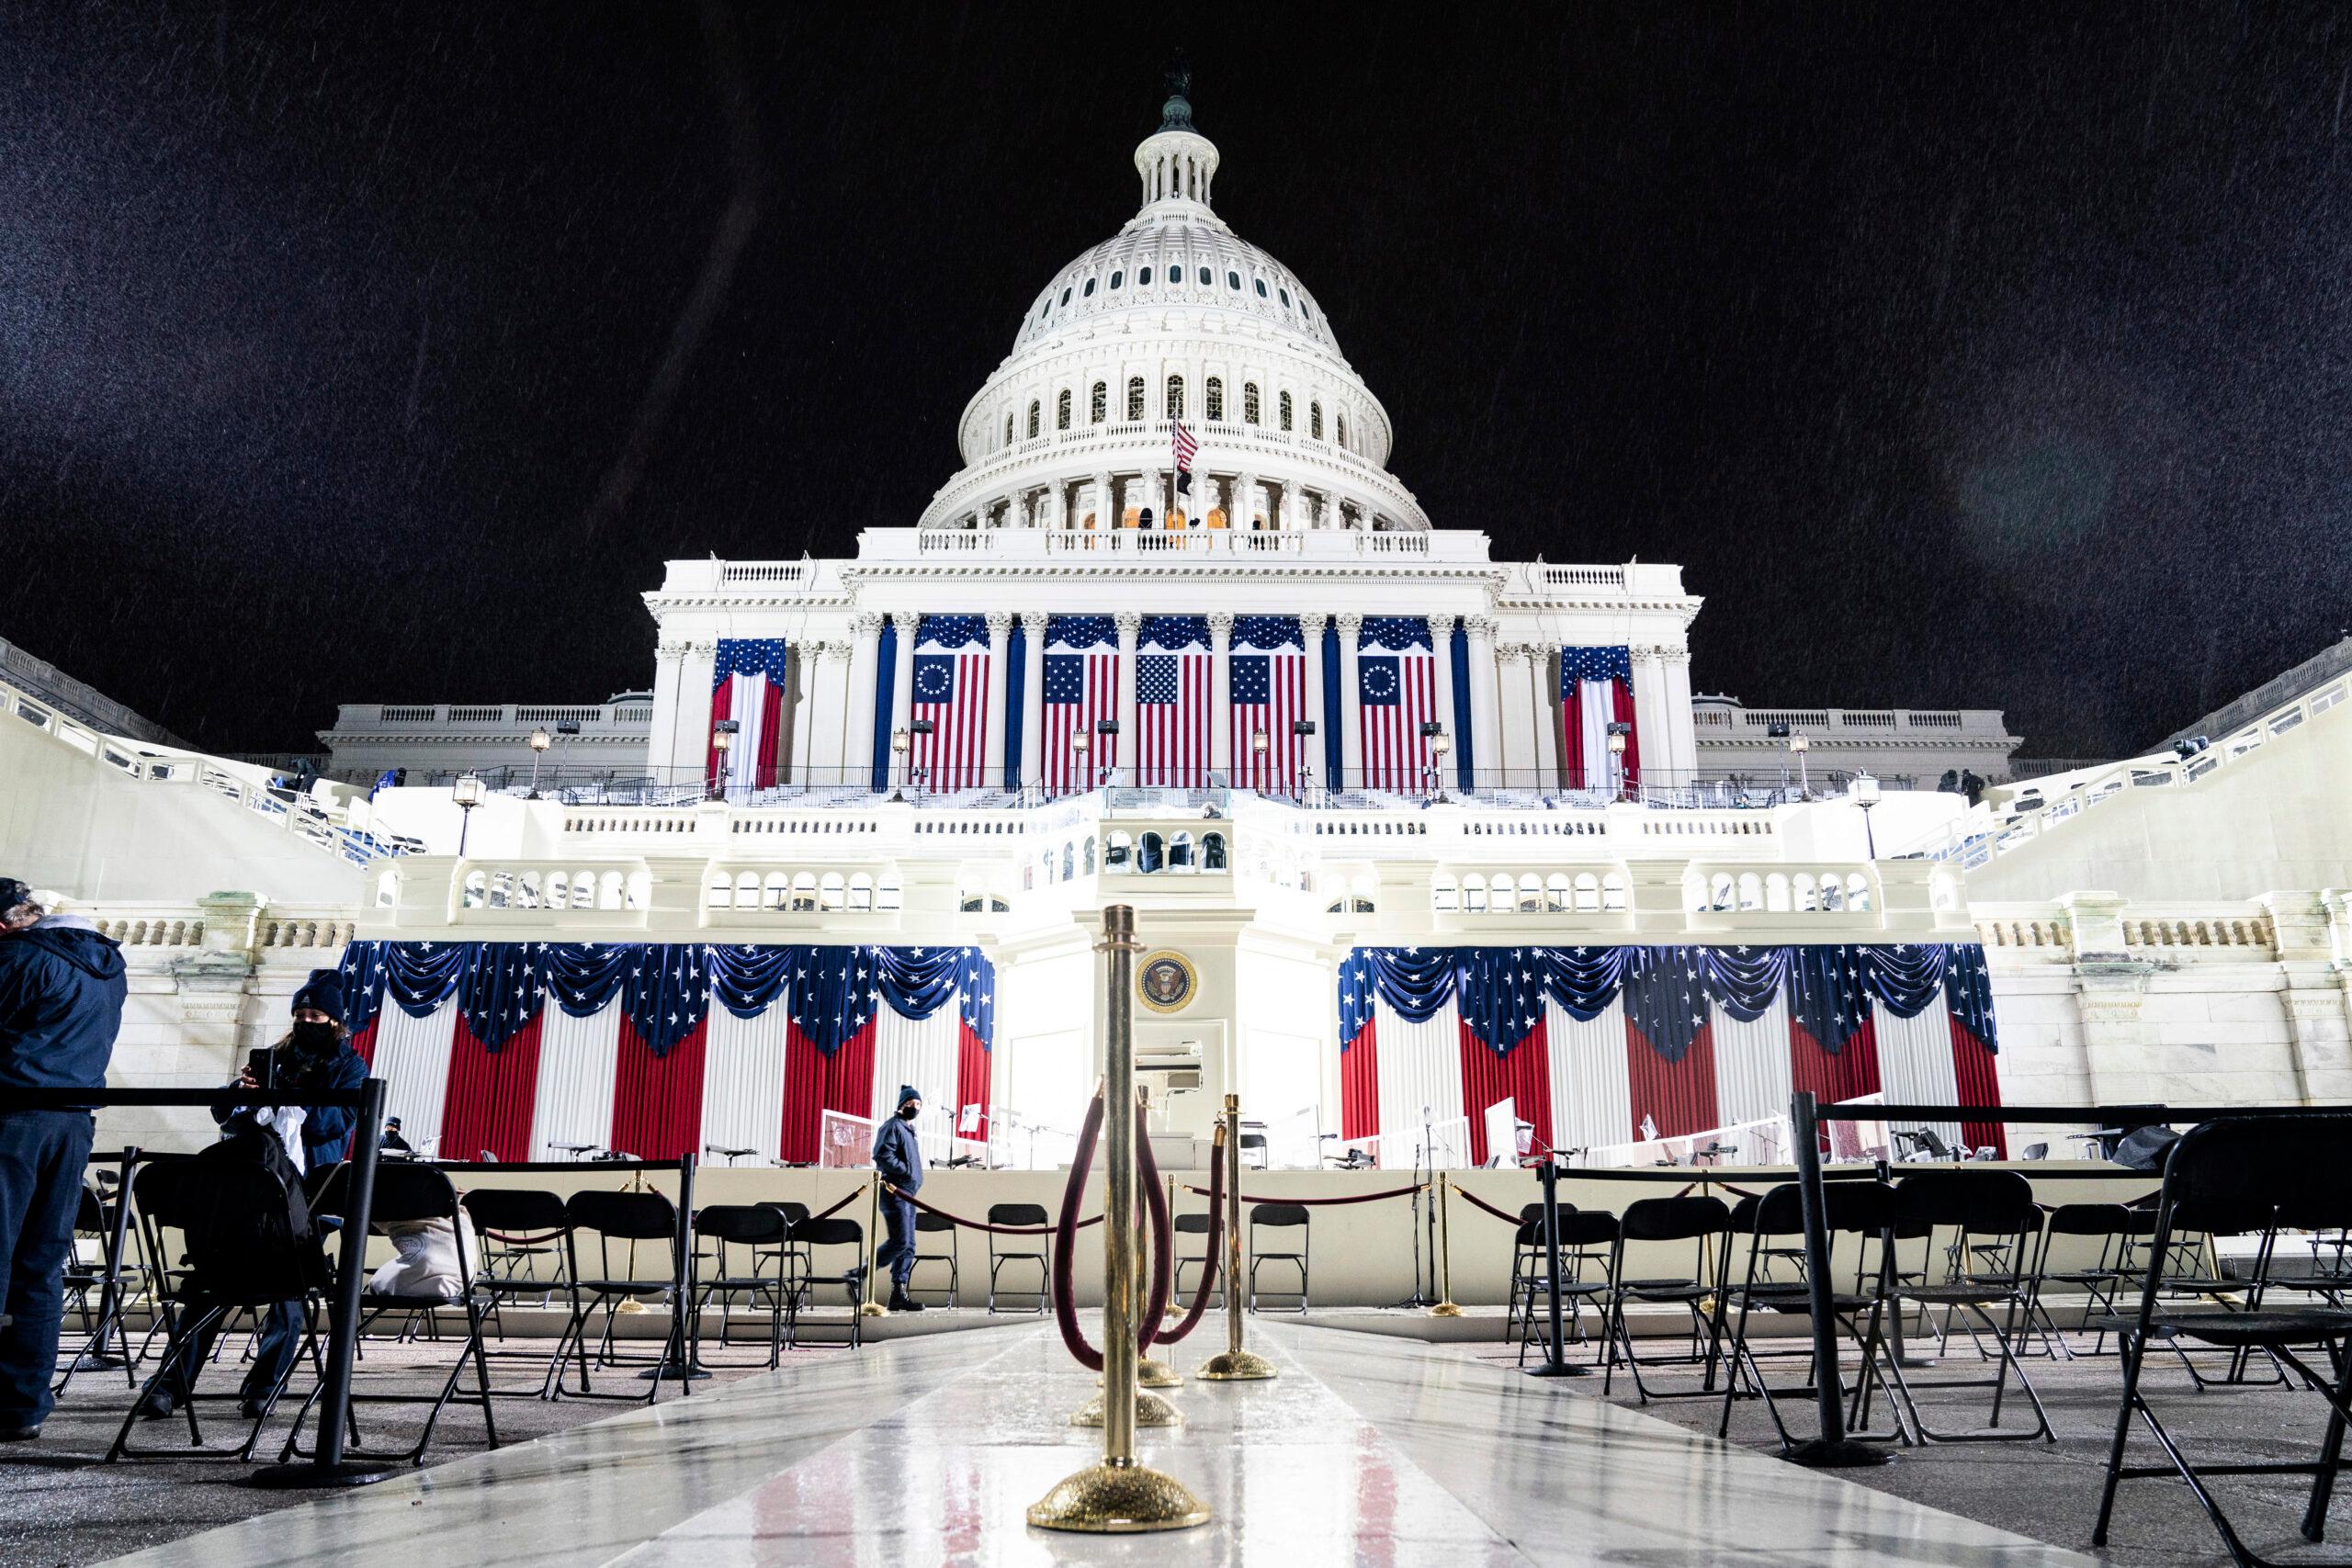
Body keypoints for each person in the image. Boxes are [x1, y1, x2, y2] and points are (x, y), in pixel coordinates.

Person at [141, 970, 368, 1422]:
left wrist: (293, 1100)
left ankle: (264, 1385)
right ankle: (170, 1383)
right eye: (301, 1013)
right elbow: (222, 1114)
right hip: (243, 1185)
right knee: (211, 1284)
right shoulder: (274, 1055)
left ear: (335, 1021)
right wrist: (242, 1093)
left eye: (316, 1014)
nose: (306, 1020)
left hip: (307, 1188)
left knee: (289, 1294)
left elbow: (335, 1124)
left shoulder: (349, 1066)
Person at [0, 880, 126, 1442]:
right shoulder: (108, 967)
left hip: (12, 1117)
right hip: (73, 1121)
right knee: (40, 1265)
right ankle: (24, 1402)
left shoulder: (18, 958)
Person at [864, 1086, 926, 1314]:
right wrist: (905, 1171)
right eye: (911, 1103)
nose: (915, 1108)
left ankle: (898, 1293)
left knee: (908, 1245)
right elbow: (882, 1155)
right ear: (902, 1104)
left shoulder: (908, 1129)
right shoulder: (893, 1127)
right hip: (895, 1192)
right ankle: (860, 1273)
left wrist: (911, 1177)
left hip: (908, 1193)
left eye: (918, 1105)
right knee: (900, 1242)